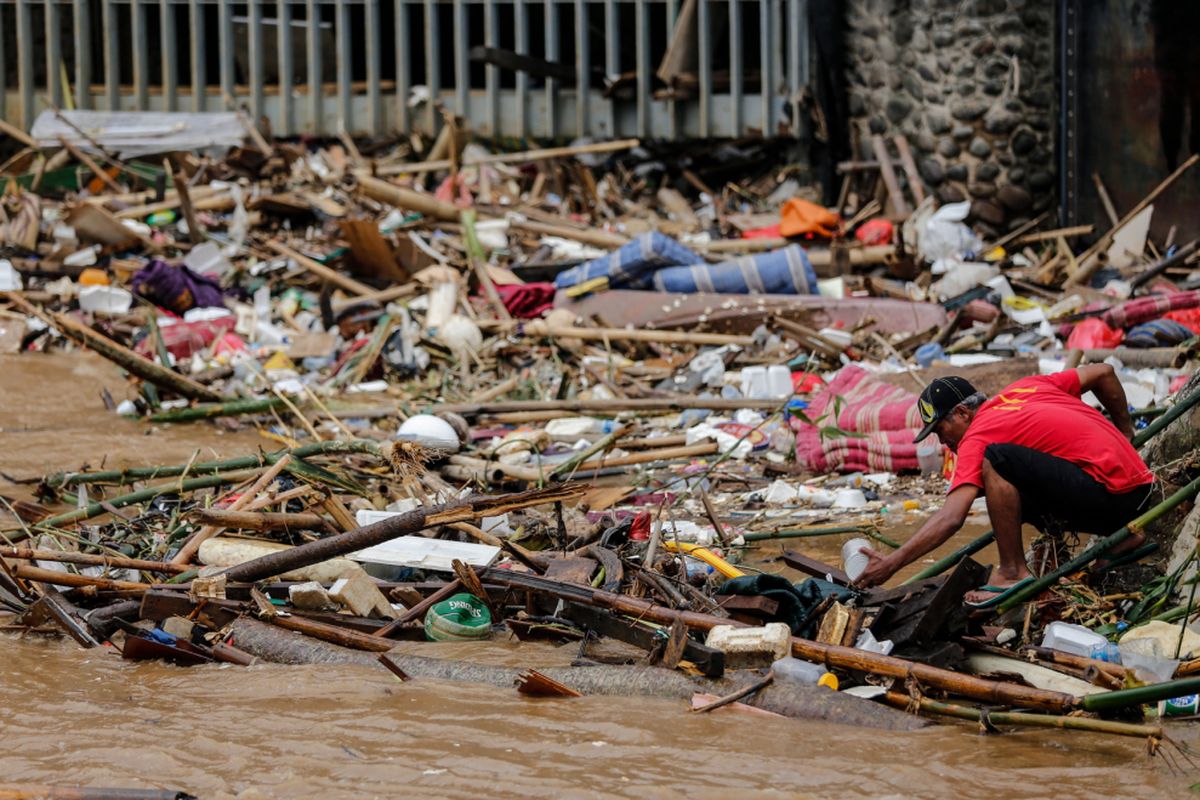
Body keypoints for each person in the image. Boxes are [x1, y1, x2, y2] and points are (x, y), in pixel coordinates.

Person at [853, 365, 1156, 606]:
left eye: (941, 429)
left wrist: (892, 564)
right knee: (1009, 474)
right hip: (1138, 491)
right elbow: (1104, 372)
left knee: (995, 460)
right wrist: (1126, 431)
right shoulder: (1026, 388)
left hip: (1115, 500)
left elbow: (951, 517)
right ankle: (1118, 538)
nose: (943, 441)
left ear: (962, 413)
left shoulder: (978, 436)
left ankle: (1012, 572)